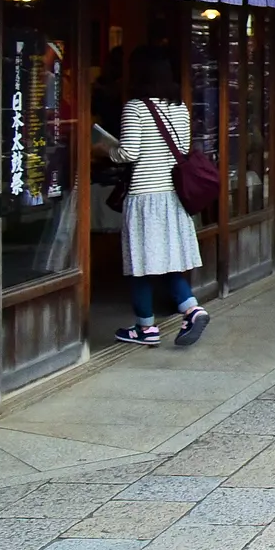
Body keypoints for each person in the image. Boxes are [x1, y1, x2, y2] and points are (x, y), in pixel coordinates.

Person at [111, 45, 210, 347]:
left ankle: (146, 327)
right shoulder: (180, 107)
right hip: (173, 196)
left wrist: (105, 149)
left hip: (144, 196)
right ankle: (191, 309)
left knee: (140, 263)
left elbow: (129, 153)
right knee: (167, 261)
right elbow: (183, 149)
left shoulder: (135, 108)